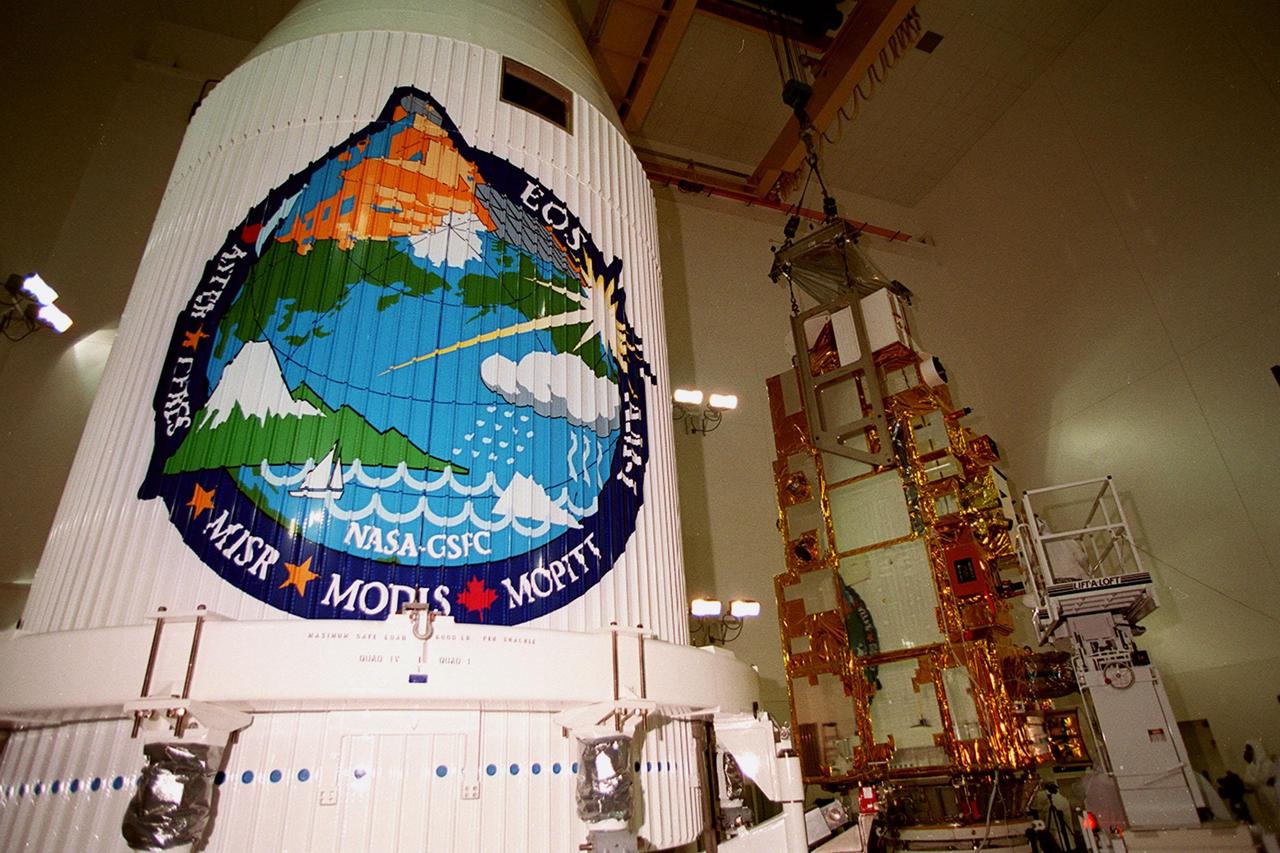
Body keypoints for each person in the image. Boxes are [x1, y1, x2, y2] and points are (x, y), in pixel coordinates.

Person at [1243, 740, 1280, 832]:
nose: (1247, 752)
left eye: (1249, 749)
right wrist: (1258, 781)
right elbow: (1247, 781)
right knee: (1269, 817)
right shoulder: (1249, 767)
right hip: (1261, 795)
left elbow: (1268, 779)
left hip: (1272, 793)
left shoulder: (1267, 763)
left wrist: (1257, 781)